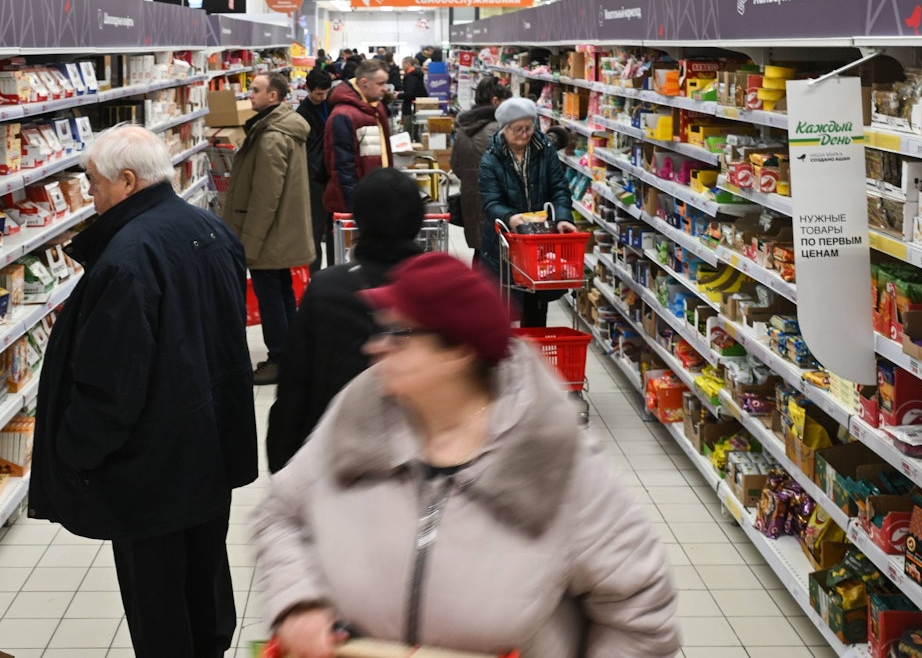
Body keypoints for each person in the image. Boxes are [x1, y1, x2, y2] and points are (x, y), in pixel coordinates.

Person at [253, 252, 680, 658]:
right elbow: (280, 514)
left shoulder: (553, 458)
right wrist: (299, 600)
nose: (375, 347)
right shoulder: (360, 416)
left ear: (458, 350)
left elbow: (640, 609)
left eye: (399, 334)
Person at [28, 124, 257, 658]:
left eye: (93, 183)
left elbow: (111, 384)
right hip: (209, 445)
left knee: (157, 598)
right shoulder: (210, 229)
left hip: (150, 465)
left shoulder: (127, 259)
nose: (89, 194)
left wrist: (74, 453)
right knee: (204, 574)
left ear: (126, 181)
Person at [265, 167, 424, 472]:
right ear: (417, 221)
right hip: (418, 458)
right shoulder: (442, 288)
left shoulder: (326, 288)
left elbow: (295, 385)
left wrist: (283, 464)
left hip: (337, 458)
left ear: (359, 221)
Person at [224, 71, 316, 385]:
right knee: (282, 292)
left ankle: (278, 357)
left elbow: (266, 196)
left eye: (257, 90)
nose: (251, 95)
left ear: (273, 97)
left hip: (269, 235)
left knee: (271, 297)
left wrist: (249, 243)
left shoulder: (272, 137)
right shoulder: (280, 128)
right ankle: (290, 353)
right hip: (280, 232)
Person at [479, 96, 577, 327]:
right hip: (507, 242)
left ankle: (535, 353)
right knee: (505, 306)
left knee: (536, 305)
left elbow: (559, 189)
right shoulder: (490, 160)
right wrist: (509, 217)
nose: (525, 134)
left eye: (529, 127)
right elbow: (490, 202)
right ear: (504, 128)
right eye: (518, 129)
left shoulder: (545, 151)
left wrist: (563, 217)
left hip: (541, 241)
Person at [450, 77, 512, 260]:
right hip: (499, 202)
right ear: (495, 101)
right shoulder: (499, 130)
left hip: (470, 197)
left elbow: (456, 165)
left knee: (479, 251)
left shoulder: (463, 128)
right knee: (499, 258)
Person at [323, 58, 392, 214]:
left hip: (376, 199)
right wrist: (353, 209)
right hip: (356, 208)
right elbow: (342, 168)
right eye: (380, 84)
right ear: (363, 83)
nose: (384, 89)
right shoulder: (343, 116)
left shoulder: (375, 107)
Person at [296, 69, 334, 274]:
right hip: (314, 178)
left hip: (332, 174)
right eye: (318, 93)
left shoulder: (332, 104)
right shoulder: (302, 113)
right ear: (308, 89)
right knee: (315, 229)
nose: (322, 97)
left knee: (334, 228)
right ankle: (315, 275)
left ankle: (336, 271)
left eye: (325, 92)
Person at [400, 56, 427, 137]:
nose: (402, 66)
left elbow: (410, 94)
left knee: (409, 129)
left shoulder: (411, 76)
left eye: (403, 64)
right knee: (414, 128)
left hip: (411, 106)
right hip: (417, 105)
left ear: (407, 64)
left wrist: (398, 95)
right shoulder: (416, 74)